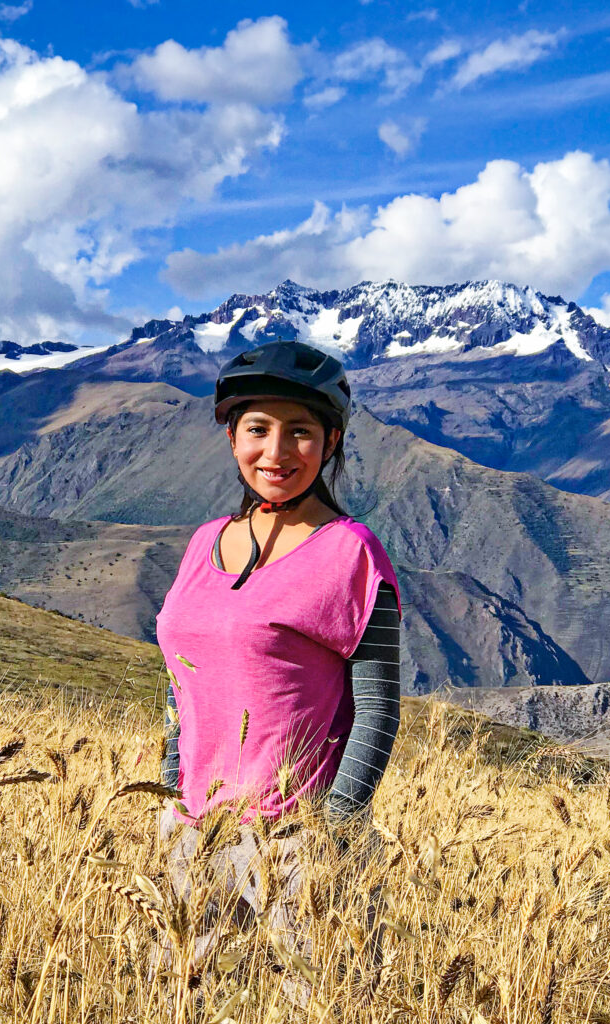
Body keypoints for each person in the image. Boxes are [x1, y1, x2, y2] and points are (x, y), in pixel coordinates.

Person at [152, 339, 402, 1000]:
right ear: (232, 437)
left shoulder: (352, 552)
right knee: (188, 1004)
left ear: (330, 441)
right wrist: (170, 790)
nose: (277, 451)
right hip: (195, 834)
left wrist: (332, 836)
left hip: (297, 839)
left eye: (300, 432)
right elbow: (182, 679)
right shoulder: (203, 542)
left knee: (319, 1007)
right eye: (258, 429)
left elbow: (378, 709)